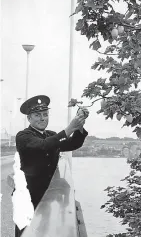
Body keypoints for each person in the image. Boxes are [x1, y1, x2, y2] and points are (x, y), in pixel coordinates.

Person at [13, 95, 89, 237]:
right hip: (27, 198)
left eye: (45, 114)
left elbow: (73, 144)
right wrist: (69, 128)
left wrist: (79, 127)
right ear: (29, 118)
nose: (42, 118)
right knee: (26, 233)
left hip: (49, 195)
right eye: (37, 115)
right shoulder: (23, 136)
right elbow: (43, 146)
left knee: (45, 231)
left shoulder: (51, 135)